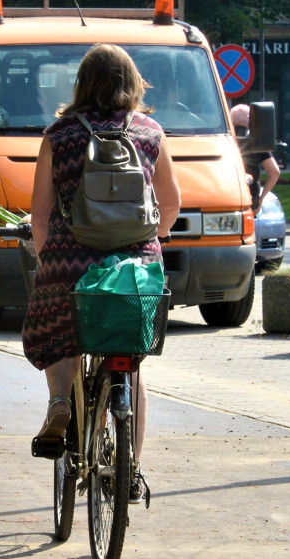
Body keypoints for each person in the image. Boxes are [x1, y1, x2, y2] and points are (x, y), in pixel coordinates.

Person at [21, 44, 181, 501]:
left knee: (59, 329)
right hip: (135, 266)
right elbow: (170, 206)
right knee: (131, 362)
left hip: (71, 262)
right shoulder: (151, 133)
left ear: (81, 84)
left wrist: (47, 259)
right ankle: (131, 470)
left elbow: (41, 214)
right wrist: (153, 238)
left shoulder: (60, 135)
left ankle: (58, 405)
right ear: (132, 83)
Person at [229, 103, 280, 213]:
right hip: (250, 196)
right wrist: (261, 198)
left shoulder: (224, 140)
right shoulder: (257, 141)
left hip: (228, 195)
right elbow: (274, 172)